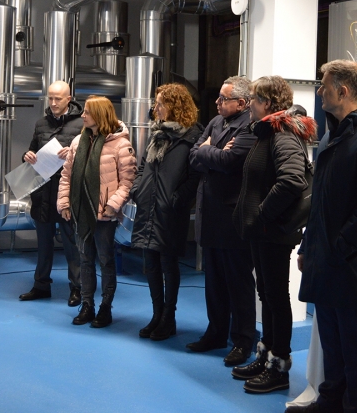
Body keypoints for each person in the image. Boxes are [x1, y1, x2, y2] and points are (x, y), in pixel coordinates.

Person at [287, 61, 357, 413]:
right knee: (332, 340)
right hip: (328, 257)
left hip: (351, 262)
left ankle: (354, 407)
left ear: (343, 91)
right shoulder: (336, 132)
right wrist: (308, 245)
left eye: (325, 86)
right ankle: (330, 400)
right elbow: (321, 199)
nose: (320, 92)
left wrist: (340, 246)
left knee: (353, 346)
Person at [232, 76, 316, 394]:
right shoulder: (266, 134)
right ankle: (266, 354)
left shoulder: (282, 135)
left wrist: (263, 213)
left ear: (267, 103)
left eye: (253, 98)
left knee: (276, 298)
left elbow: (292, 179)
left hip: (273, 233)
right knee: (267, 295)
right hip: (262, 232)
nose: (249, 103)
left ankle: (279, 366)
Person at [188, 75, 256, 367]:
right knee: (213, 282)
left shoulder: (250, 127)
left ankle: (242, 341)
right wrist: (209, 152)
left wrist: (207, 151)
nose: (216, 103)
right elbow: (193, 155)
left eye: (222, 99)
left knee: (238, 284)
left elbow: (231, 163)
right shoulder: (216, 124)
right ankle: (215, 333)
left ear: (241, 103)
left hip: (232, 219)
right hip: (210, 215)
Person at [130, 84, 203, 341]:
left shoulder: (192, 136)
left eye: (160, 103)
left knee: (168, 264)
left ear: (175, 106)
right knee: (150, 265)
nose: (155, 108)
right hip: (148, 206)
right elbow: (143, 167)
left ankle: (168, 318)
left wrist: (177, 199)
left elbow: (195, 176)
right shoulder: (157, 134)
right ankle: (156, 314)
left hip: (170, 210)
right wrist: (138, 190)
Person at [57, 96, 136, 328]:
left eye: (87, 113)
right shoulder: (77, 142)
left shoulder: (121, 145)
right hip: (81, 211)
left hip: (104, 215)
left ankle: (105, 308)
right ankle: (87, 305)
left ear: (100, 115)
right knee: (85, 260)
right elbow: (67, 176)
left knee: (105, 260)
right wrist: (64, 202)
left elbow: (128, 181)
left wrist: (113, 205)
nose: (82, 116)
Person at [19, 81, 84, 306]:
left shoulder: (82, 124)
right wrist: (27, 156)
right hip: (43, 192)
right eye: (50, 98)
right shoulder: (41, 124)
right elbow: (31, 150)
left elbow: (91, 157)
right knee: (44, 244)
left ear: (69, 98)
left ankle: (77, 288)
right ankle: (41, 286)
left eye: (58, 98)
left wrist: (74, 154)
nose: (53, 103)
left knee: (72, 243)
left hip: (67, 194)